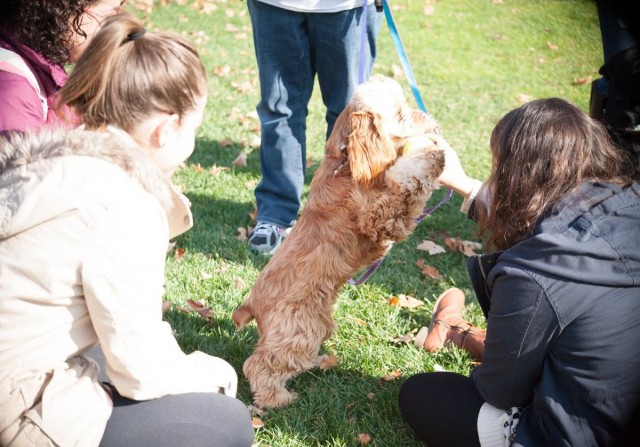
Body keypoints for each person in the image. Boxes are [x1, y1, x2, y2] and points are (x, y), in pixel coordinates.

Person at [0, 14, 254, 447]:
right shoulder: (123, 202)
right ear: (165, 128)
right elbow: (139, 371)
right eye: (193, 127)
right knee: (222, 422)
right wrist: (214, 372)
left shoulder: (59, 165)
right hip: (17, 407)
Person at [399, 98, 640, 446]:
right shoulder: (628, 202)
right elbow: (541, 217)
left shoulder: (531, 272)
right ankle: (467, 335)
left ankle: (463, 334)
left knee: (423, 394)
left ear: (517, 174)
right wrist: (465, 183)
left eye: (499, 163)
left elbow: (500, 391)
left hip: (573, 434)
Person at [246, 0, 382, 254]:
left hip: (346, 7)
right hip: (274, 5)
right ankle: (275, 215)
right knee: (279, 107)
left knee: (351, 116)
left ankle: (341, 219)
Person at [0, 0, 125, 134]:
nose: (111, 31)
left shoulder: (42, 66)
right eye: (108, 16)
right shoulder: (14, 91)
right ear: (66, 9)